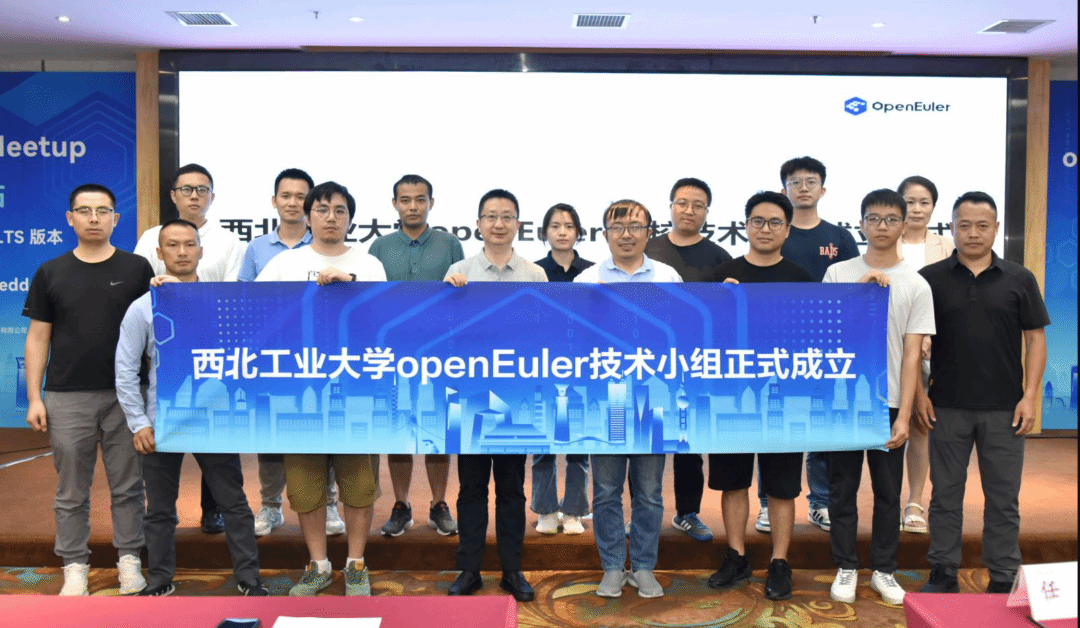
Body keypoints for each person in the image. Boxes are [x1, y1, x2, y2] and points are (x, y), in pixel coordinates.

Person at [115, 219, 267, 597]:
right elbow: (125, 369)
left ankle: (249, 579)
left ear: (201, 251)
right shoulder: (142, 307)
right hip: (161, 421)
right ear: (159, 252)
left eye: (189, 244)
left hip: (215, 419)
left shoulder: (225, 303)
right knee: (159, 510)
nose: (182, 252)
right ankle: (160, 580)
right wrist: (138, 423)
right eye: (172, 245)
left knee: (233, 503)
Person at [23, 183, 153, 596]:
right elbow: (38, 337)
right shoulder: (50, 271)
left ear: (116, 218)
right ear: (70, 218)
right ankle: (74, 565)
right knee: (71, 490)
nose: (94, 218)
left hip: (125, 396)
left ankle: (129, 560)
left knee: (128, 486)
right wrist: (34, 397)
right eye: (84, 210)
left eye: (103, 211)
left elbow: (155, 329)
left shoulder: (137, 268)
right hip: (66, 395)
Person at [257, 181, 386, 596]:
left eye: (340, 210)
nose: (331, 217)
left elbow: (383, 323)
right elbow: (253, 310)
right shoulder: (283, 264)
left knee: (359, 486)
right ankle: (318, 565)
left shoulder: (369, 264)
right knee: (305, 486)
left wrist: (352, 287)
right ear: (308, 216)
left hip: (354, 393)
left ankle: (356, 565)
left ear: (350, 219)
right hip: (299, 394)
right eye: (323, 209)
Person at [917, 191, 1049, 595]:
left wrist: (1030, 397)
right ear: (951, 228)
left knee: (1003, 497)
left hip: (1004, 408)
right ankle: (943, 570)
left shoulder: (1019, 278)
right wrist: (920, 394)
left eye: (982, 225)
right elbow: (912, 342)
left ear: (996, 229)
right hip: (946, 406)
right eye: (964, 225)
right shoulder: (930, 278)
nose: (973, 233)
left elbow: (1035, 340)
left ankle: (1004, 573)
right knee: (945, 495)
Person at [824, 189, 934, 607]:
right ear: (861, 224)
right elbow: (825, 334)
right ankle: (846, 566)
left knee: (889, 492)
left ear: (904, 224)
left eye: (891, 219)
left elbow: (912, 356)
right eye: (874, 218)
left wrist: (904, 415)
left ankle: (884, 570)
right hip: (844, 401)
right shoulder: (838, 273)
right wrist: (858, 292)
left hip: (888, 403)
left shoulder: (917, 284)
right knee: (842, 489)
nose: (882, 226)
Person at [444, 189, 547, 603]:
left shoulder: (534, 275)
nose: (499, 224)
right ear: (478, 224)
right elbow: (446, 334)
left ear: (517, 224)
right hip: (471, 395)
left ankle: (511, 569)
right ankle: (469, 568)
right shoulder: (459, 271)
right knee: (471, 488)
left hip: (516, 397)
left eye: (507, 217)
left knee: (511, 488)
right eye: (491, 216)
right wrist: (448, 295)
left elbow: (543, 335)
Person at [707, 191, 811, 601]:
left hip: (783, 397)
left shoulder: (801, 279)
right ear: (746, 225)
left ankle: (779, 562)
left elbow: (814, 335)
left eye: (774, 222)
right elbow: (704, 334)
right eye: (757, 221)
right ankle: (736, 556)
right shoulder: (722, 275)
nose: (765, 229)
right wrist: (718, 303)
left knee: (782, 488)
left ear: (787, 229)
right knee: (733, 482)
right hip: (732, 396)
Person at [576, 199, 682, 599]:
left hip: (652, 399)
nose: (626, 235)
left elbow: (681, 333)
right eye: (617, 228)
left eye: (635, 227)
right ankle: (611, 567)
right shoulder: (587, 279)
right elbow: (573, 340)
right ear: (605, 234)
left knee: (649, 491)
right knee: (606, 490)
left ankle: (643, 566)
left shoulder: (668, 277)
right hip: (605, 401)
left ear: (648, 233)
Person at [134, 163, 248, 534]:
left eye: (202, 189)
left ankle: (212, 509)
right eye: (186, 189)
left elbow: (233, 291)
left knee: (214, 433)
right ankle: (161, 515)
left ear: (212, 196)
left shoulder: (229, 241)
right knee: (166, 431)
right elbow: (141, 285)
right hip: (166, 347)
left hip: (213, 346)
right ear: (173, 195)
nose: (194, 196)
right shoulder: (151, 236)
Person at [236, 168, 346, 539]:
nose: (294, 203)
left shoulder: (333, 250)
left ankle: (329, 504)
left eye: (302, 197)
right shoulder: (258, 249)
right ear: (274, 201)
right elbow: (246, 299)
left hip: (324, 359)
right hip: (278, 359)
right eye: (287, 195)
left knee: (324, 432)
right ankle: (270, 505)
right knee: (273, 434)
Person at [368, 174, 464, 538]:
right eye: (405, 200)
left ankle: (439, 504)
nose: (413, 206)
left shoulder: (449, 244)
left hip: (439, 355)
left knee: (438, 428)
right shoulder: (379, 247)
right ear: (395, 204)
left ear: (431, 203)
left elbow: (461, 299)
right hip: (392, 356)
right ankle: (401, 505)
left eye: (420, 199)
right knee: (399, 429)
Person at [768, 156, 860, 535]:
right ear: (784, 189)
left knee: (821, 425)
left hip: (827, 343)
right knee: (775, 423)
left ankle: (820, 502)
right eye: (795, 182)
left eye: (810, 181)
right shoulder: (775, 233)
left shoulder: (839, 238)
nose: (803, 188)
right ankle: (767, 503)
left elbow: (855, 290)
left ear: (823, 189)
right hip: (778, 344)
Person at [644, 177, 731, 543]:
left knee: (688, 442)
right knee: (644, 441)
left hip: (694, 361)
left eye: (698, 205)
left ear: (707, 212)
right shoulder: (648, 249)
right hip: (647, 361)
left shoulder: (719, 256)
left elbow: (723, 313)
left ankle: (687, 512)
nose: (689, 210)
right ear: (670, 207)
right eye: (682, 203)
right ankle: (642, 516)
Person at [896, 175, 955, 535]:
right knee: (902, 423)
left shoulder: (947, 246)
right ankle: (895, 501)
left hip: (938, 348)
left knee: (927, 425)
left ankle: (916, 501)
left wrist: (929, 335)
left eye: (924, 202)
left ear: (933, 207)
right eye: (909, 202)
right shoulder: (885, 243)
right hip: (893, 349)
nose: (916, 209)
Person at [532, 203, 594, 535]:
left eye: (569, 226)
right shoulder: (535, 271)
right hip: (541, 365)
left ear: (579, 232)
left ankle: (573, 511)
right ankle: (545, 510)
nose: (562, 232)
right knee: (542, 444)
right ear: (545, 232)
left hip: (583, 366)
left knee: (578, 444)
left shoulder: (592, 272)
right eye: (555, 226)